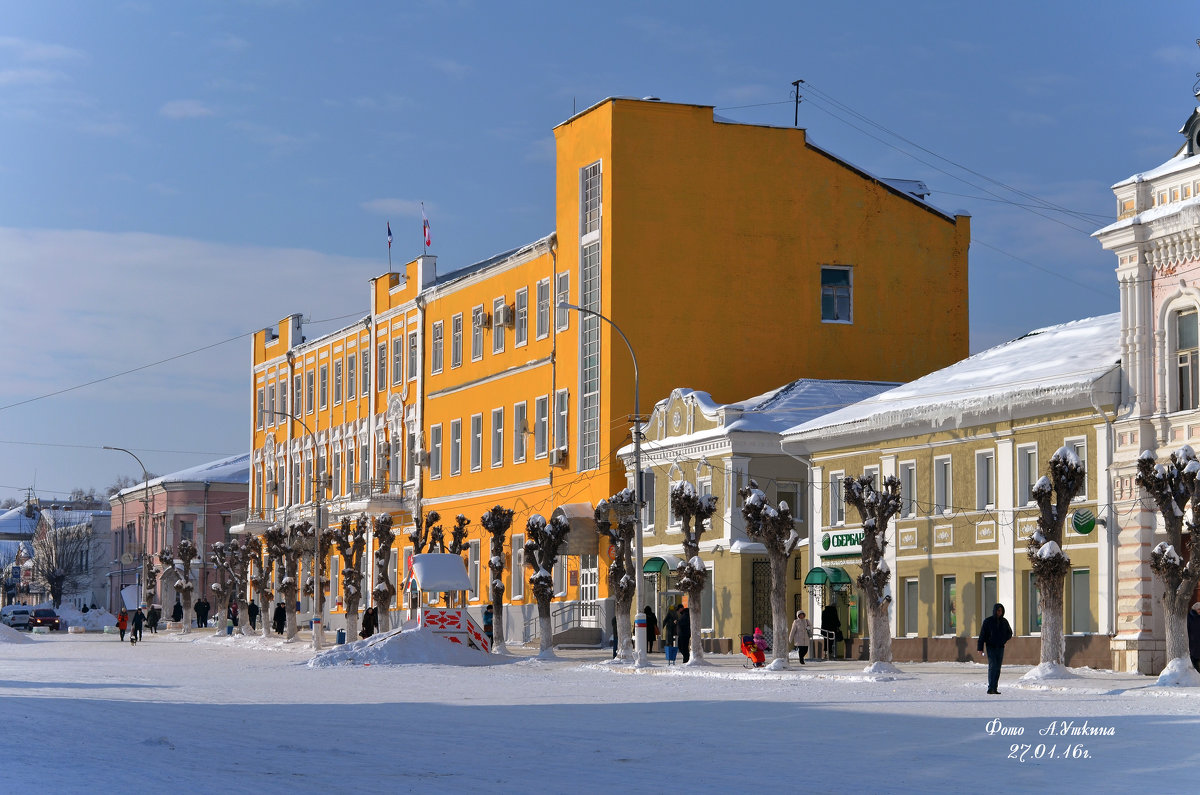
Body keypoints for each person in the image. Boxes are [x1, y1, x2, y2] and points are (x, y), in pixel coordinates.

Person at [978, 603, 1014, 695]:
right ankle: (990, 688)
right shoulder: (988, 621)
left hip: (1000, 647)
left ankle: (995, 688)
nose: (1000, 612)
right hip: (991, 647)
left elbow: (1009, 633)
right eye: (998, 610)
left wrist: (1004, 639)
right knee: (992, 666)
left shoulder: (1004, 621)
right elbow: (982, 635)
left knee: (998, 668)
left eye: (1001, 611)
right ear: (994, 611)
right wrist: (980, 648)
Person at [1188, 602, 1200, 673]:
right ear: (1194, 609)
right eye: (1199, 609)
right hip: (1193, 642)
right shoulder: (1189, 617)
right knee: (1194, 660)